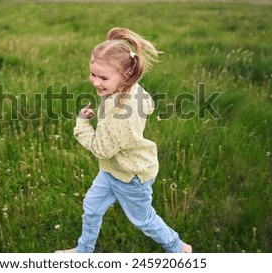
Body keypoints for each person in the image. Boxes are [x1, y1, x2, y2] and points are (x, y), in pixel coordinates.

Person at [56, 27, 192, 253]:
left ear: (125, 76)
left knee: (144, 219)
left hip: (131, 176)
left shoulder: (121, 111)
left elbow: (102, 149)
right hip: (111, 171)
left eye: (103, 77)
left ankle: (179, 249)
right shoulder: (126, 91)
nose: (95, 82)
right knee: (91, 207)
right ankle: (83, 251)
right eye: (93, 74)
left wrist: (81, 125)